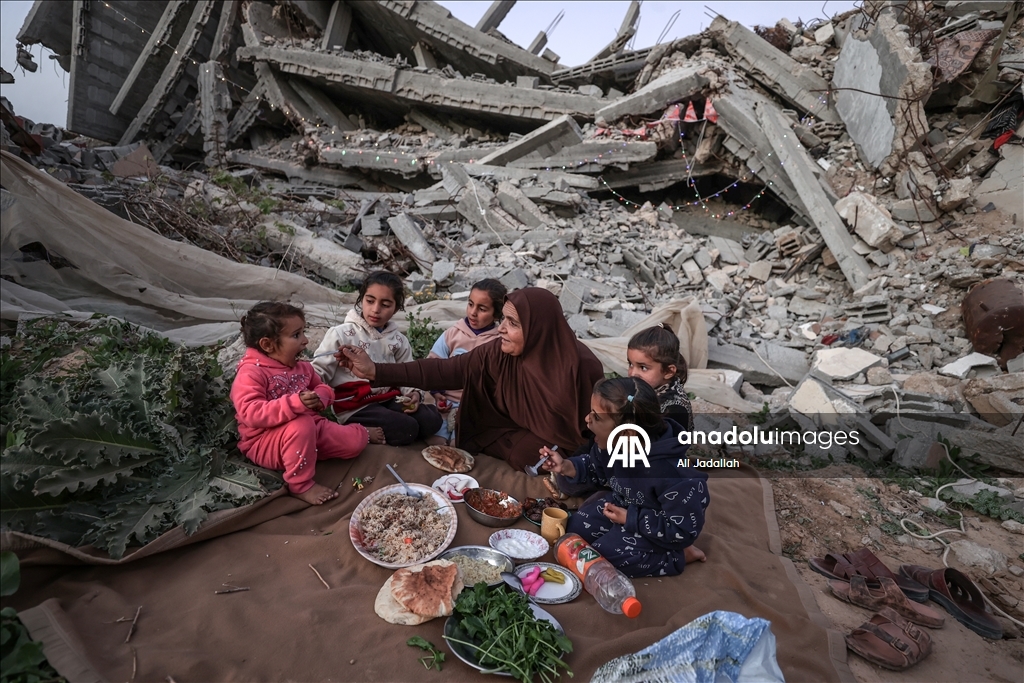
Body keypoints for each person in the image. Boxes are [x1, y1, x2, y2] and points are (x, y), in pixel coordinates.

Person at [337, 287, 604, 470]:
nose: (501, 329)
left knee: (536, 456)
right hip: (505, 427)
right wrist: (375, 370)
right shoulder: (499, 353)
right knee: (495, 440)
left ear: (538, 329)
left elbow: (590, 430)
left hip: (555, 442)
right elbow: (444, 370)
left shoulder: (581, 367)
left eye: (513, 323)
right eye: (503, 320)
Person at [540, 377, 709, 577]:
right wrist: (566, 466)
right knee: (575, 529)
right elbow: (596, 468)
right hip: (623, 504)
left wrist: (631, 518)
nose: (587, 419)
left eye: (597, 417)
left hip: (656, 523)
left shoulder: (672, 476)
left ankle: (677, 556)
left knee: (606, 556)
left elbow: (682, 529)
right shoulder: (611, 444)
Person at [230, 301, 384, 505]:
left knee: (354, 444)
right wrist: (295, 404)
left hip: (310, 428)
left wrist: (321, 397)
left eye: (303, 332)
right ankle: (300, 485)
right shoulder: (251, 373)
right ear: (267, 345)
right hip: (265, 441)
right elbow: (251, 413)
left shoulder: (302, 367)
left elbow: (324, 388)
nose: (305, 341)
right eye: (296, 335)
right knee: (301, 425)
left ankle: (352, 435)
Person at [312, 271, 443, 446]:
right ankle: (359, 430)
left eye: (385, 304)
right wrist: (309, 392)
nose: (375, 309)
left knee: (430, 419)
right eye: (370, 301)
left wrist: (413, 393)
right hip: (356, 405)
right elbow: (320, 370)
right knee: (406, 428)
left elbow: (407, 373)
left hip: (390, 398)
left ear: (396, 308)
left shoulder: (398, 341)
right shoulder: (341, 334)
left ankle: (408, 425)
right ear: (361, 299)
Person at [425, 278, 506, 445]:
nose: (473, 312)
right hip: (445, 403)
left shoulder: (499, 343)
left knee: (459, 445)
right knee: (435, 443)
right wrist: (437, 393)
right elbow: (432, 365)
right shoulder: (452, 334)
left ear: (497, 314)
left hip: (475, 408)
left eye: (482, 309)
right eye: (470, 304)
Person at [627, 324, 694, 431]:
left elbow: (663, 445)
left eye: (643, 368)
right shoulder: (641, 388)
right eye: (630, 364)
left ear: (668, 372)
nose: (633, 373)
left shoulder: (674, 409)